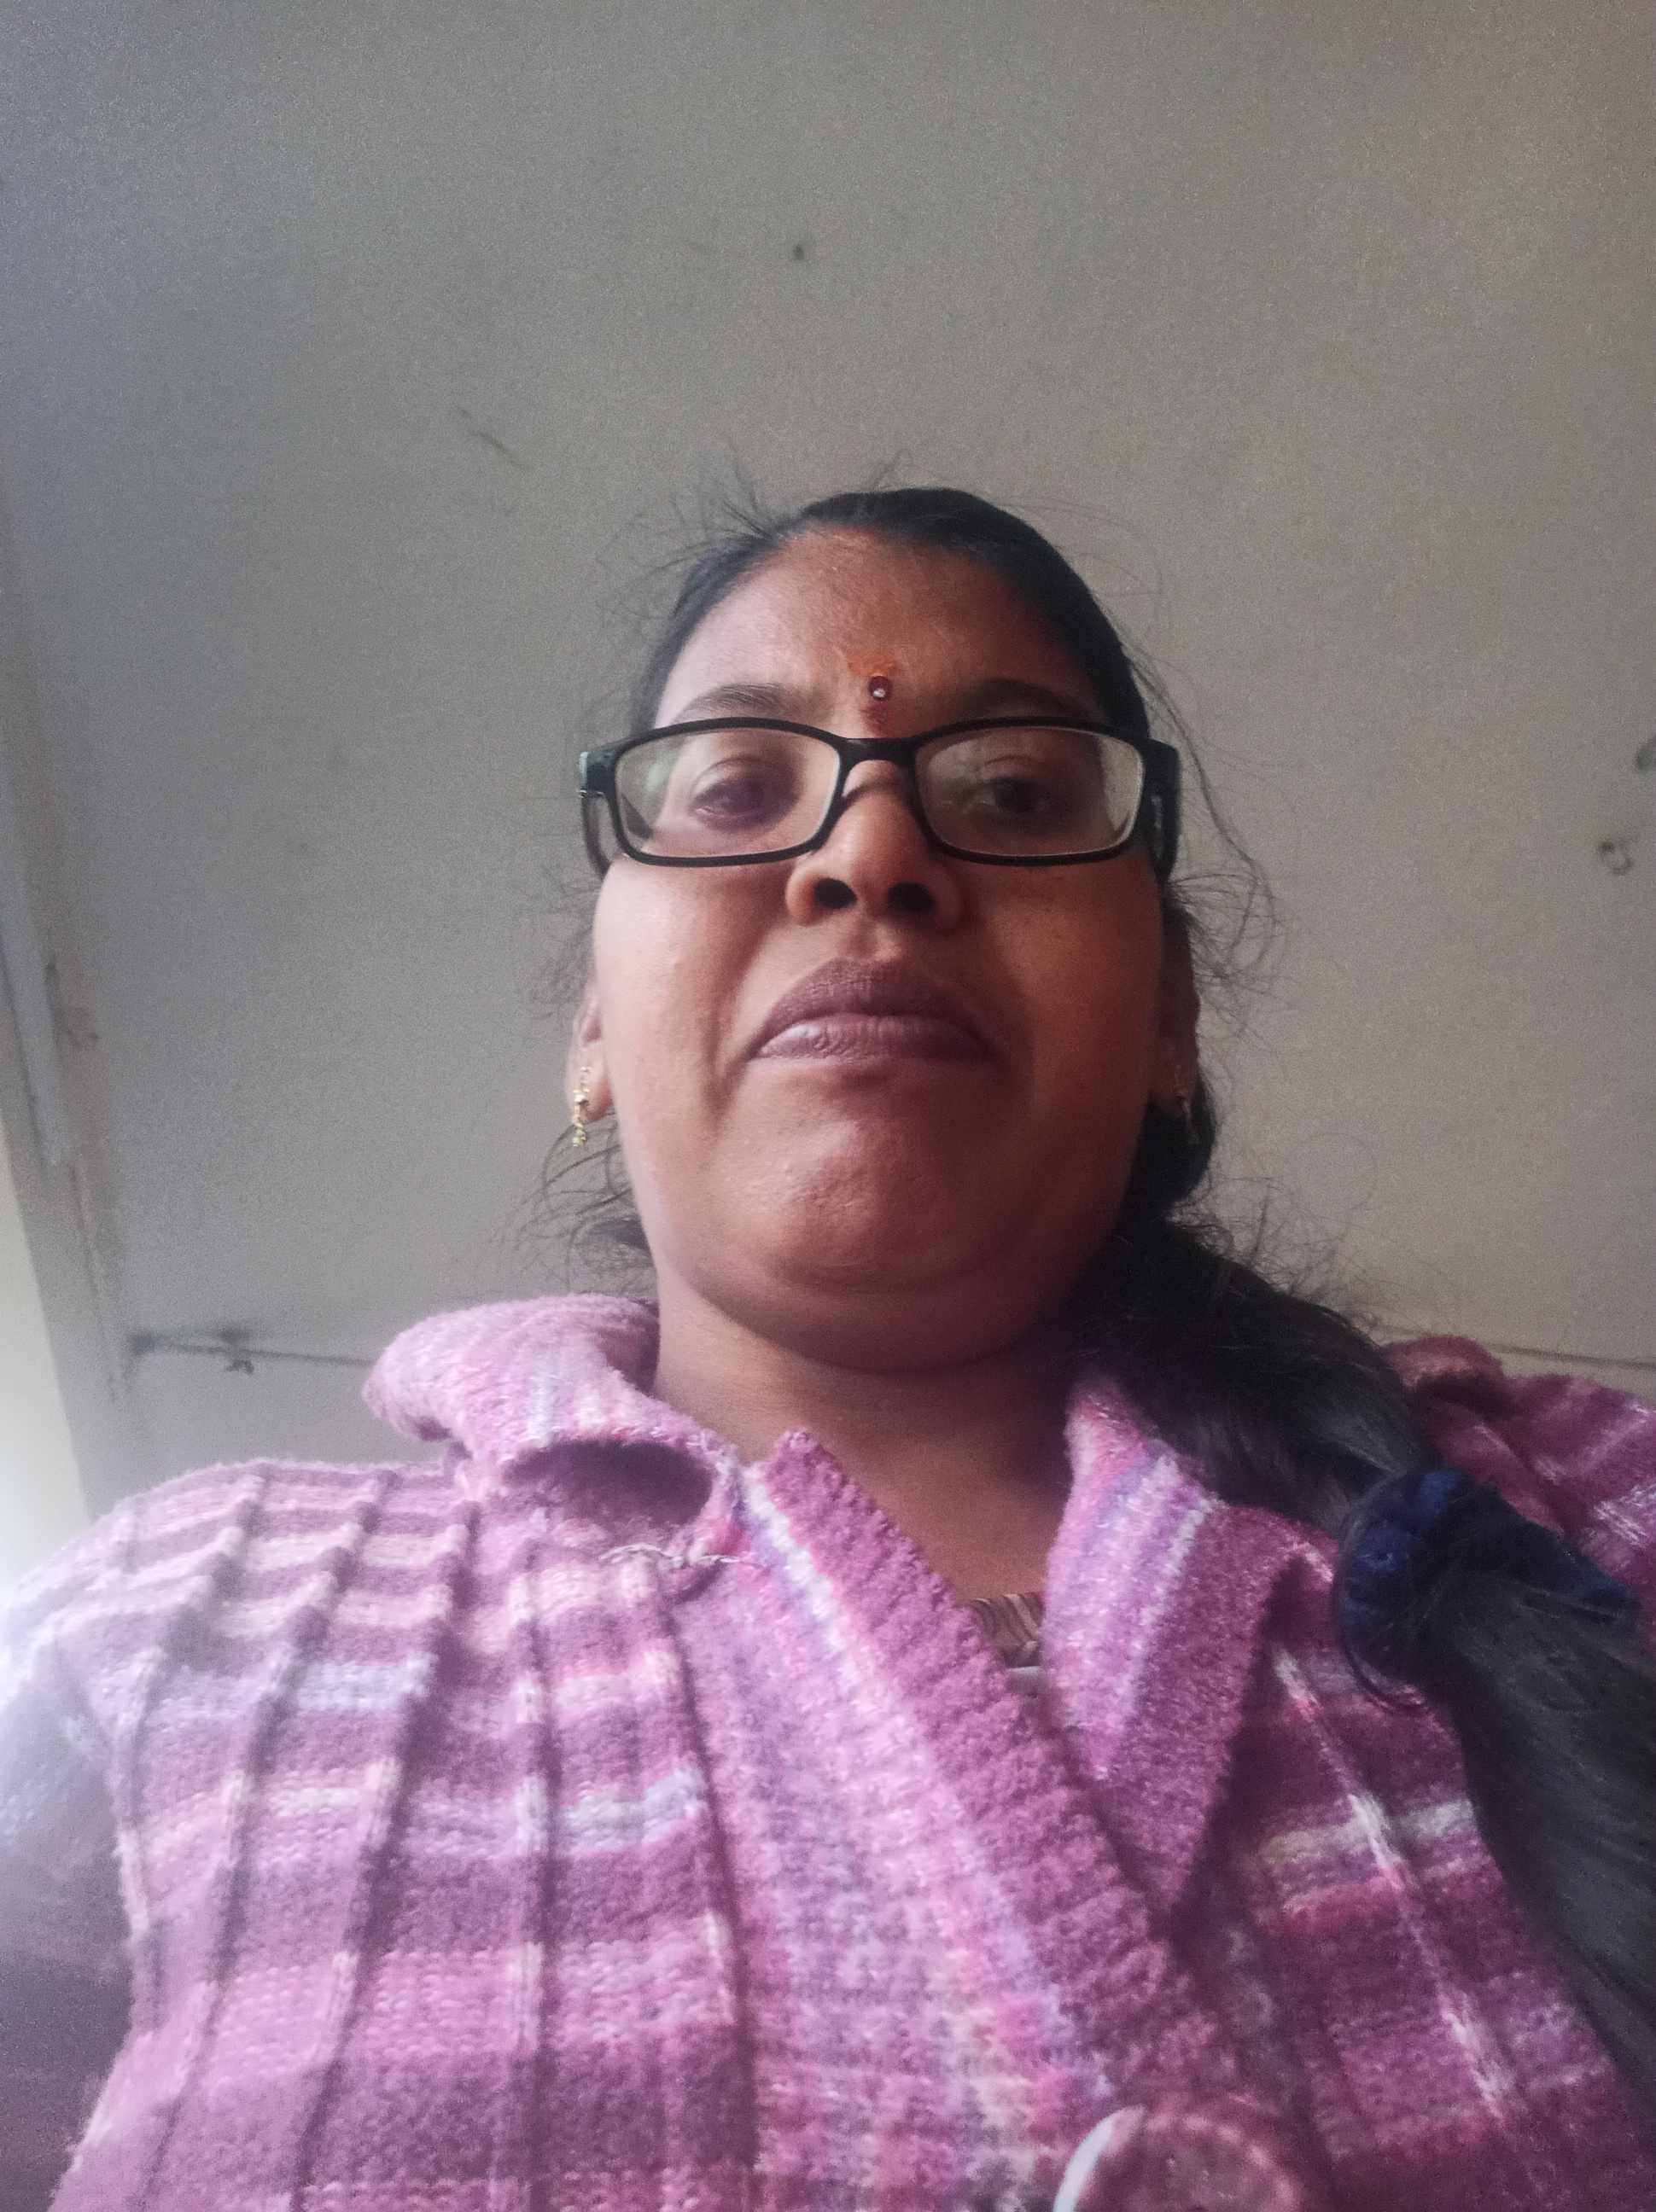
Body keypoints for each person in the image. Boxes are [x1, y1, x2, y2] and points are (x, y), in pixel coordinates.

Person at [1, 486, 1653, 2212]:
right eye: (735, 788)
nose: (868, 857)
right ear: (592, 1030)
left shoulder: (1591, 1508)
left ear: (1169, 1020)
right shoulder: (171, 1622)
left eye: (1014, 794)